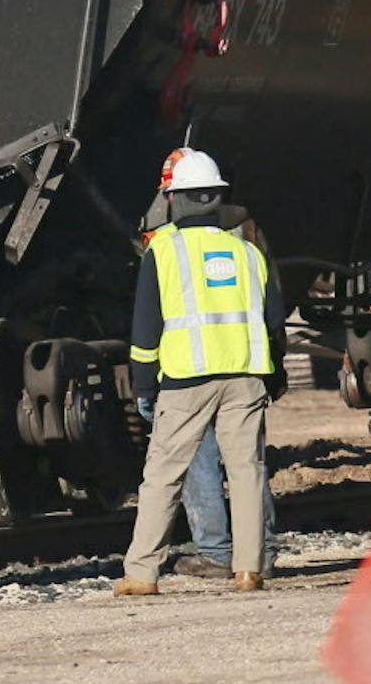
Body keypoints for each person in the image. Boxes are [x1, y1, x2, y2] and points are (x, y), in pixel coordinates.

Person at [117, 149, 285, 598]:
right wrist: (276, 372)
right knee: (247, 470)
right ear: (216, 199)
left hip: (187, 380)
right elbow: (273, 321)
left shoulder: (164, 251)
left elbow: (145, 326)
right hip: (245, 376)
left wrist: (143, 383)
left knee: (163, 475)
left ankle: (142, 574)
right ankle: (249, 570)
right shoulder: (247, 252)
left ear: (175, 200)